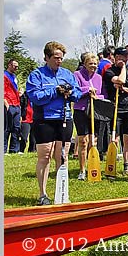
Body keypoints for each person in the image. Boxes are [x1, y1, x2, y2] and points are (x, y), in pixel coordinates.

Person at [26, 41, 81, 205]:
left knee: (62, 156)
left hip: (64, 118)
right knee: (45, 156)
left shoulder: (67, 74)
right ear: (47, 57)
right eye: (56, 58)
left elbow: (77, 94)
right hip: (44, 120)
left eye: (61, 58)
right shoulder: (36, 75)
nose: (59, 61)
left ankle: (61, 193)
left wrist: (70, 92)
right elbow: (35, 96)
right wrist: (55, 90)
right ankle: (42, 194)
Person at [102, 47, 128, 177]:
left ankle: (126, 167)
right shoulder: (109, 71)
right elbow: (120, 80)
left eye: (125, 57)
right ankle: (112, 167)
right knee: (115, 139)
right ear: (115, 57)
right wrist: (122, 70)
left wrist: (123, 89)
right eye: (120, 57)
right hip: (116, 109)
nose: (123, 59)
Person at [73, 53, 104, 180]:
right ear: (85, 64)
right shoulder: (77, 75)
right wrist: (87, 90)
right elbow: (75, 91)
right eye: (90, 63)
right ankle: (82, 170)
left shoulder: (99, 78)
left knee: (93, 141)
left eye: (95, 64)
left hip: (94, 111)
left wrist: (97, 96)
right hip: (81, 110)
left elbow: (102, 94)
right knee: (83, 141)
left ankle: (93, 167)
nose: (93, 66)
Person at [96, 45, 115, 160]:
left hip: (99, 97)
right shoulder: (107, 65)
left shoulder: (99, 64)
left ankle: (101, 150)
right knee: (104, 126)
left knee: (101, 126)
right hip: (105, 97)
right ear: (110, 55)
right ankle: (102, 151)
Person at [4, 59, 21, 154]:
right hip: (8, 103)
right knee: (7, 127)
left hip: (16, 104)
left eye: (17, 66)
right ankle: (3, 149)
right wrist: (5, 102)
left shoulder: (14, 76)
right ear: (9, 65)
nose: (16, 68)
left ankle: (14, 149)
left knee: (16, 127)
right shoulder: (4, 75)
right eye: (15, 66)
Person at [19, 87, 35, 153]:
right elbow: (20, 103)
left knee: (33, 139)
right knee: (24, 137)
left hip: (35, 119)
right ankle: (21, 150)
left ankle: (32, 151)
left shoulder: (37, 97)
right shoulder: (25, 96)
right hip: (26, 119)